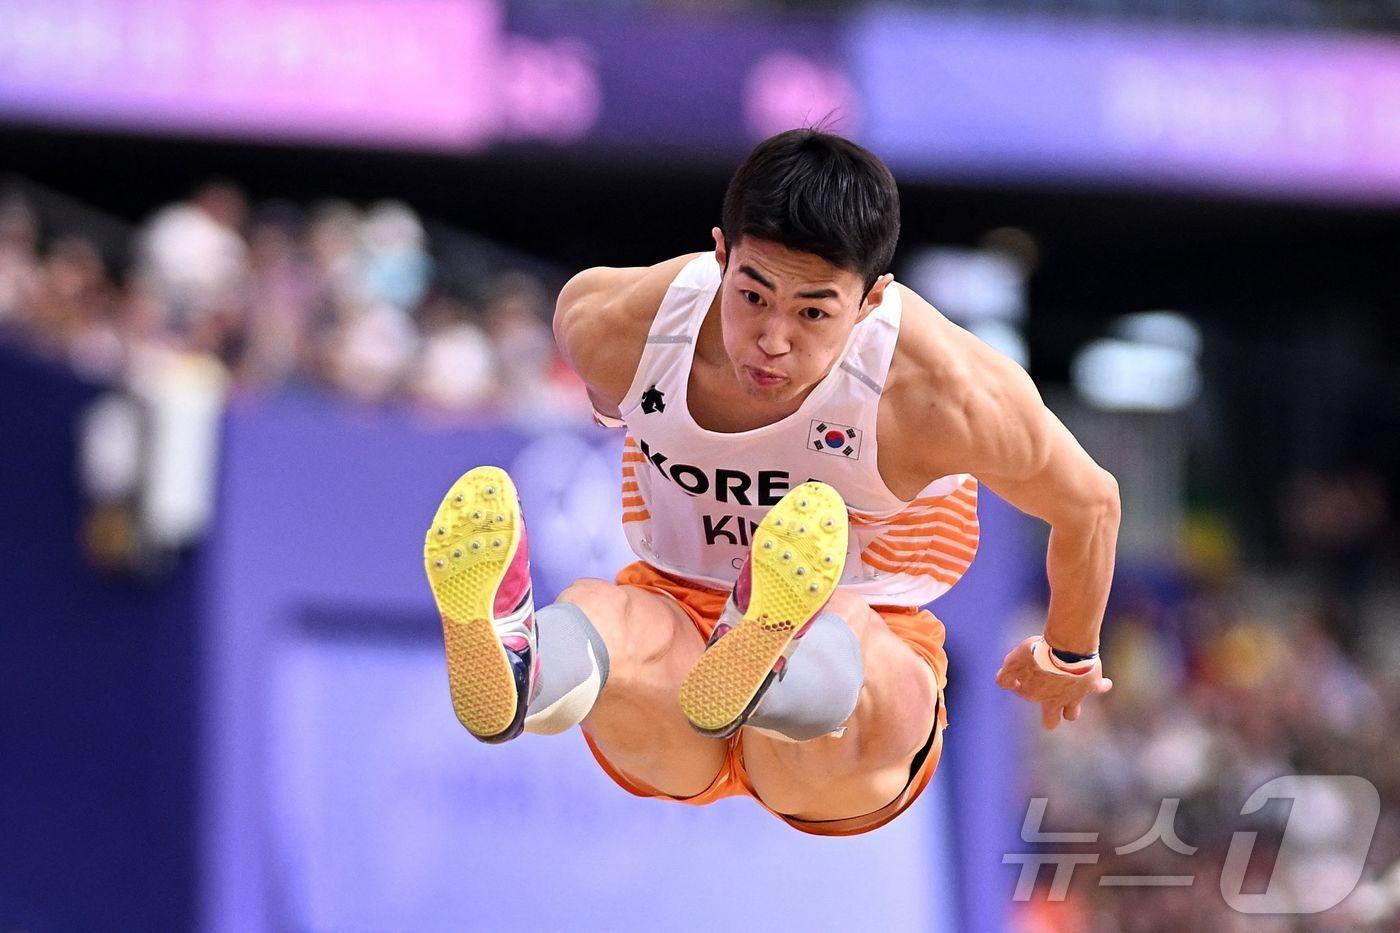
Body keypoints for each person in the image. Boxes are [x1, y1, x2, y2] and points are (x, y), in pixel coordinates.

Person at [423, 129, 1119, 836]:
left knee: (788, 623)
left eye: (813, 312)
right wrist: (1065, 655)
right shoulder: (616, 324)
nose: (773, 339)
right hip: (695, 667)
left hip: (835, 690)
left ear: (873, 300)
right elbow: (1090, 505)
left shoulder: (941, 390)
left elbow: (1091, 502)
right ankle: (522, 666)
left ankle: (734, 660)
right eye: (752, 295)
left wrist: (1070, 649)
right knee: (615, 612)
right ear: (720, 254)